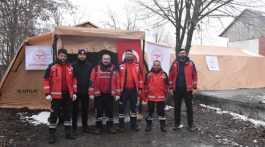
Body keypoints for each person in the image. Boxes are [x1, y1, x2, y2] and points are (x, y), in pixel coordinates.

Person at [43, 48, 77, 144]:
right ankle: (51, 135)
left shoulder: (70, 67)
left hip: (68, 95)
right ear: (58, 56)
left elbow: (74, 80)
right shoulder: (52, 66)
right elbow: (46, 80)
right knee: (54, 115)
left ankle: (68, 133)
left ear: (66, 57)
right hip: (56, 96)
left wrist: (74, 92)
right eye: (61, 56)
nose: (63, 58)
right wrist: (47, 93)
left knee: (68, 114)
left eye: (65, 56)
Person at [89, 54, 119, 134]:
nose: (106, 60)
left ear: (110, 60)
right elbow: (91, 81)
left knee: (110, 111)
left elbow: (117, 81)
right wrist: (91, 93)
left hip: (109, 94)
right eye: (104, 59)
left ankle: (110, 127)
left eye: (108, 59)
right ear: (102, 59)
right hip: (99, 94)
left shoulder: (114, 68)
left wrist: (117, 94)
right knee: (99, 111)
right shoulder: (96, 68)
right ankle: (98, 127)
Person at [169, 49, 198, 132]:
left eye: (184, 53)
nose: (183, 54)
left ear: (186, 54)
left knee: (189, 108)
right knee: (177, 108)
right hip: (177, 89)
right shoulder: (174, 64)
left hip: (187, 89)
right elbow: (170, 76)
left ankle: (191, 125)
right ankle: (177, 124)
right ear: (178, 54)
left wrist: (194, 87)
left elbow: (194, 75)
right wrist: (171, 87)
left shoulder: (191, 64)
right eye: (181, 53)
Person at [118, 49, 144, 132]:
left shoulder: (137, 65)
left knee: (133, 108)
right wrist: (117, 91)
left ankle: (134, 125)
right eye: (127, 54)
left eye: (130, 54)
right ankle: (121, 125)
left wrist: (140, 88)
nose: (129, 56)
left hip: (133, 90)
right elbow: (116, 79)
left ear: (133, 56)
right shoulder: (120, 65)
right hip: (123, 91)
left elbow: (140, 78)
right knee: (121, 108)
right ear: (125, 56)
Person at [72, 49, 93, 133]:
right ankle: (74, 127)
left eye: (84, 54)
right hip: (76, 92)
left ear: (86, 56)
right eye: (80, 54)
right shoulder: (72, 65)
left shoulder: (90, 65)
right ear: (78, 55)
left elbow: (92, 79)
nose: (82, 56)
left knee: (85, 110)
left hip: (85, 91)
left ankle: (85, 127)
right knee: (74, 110)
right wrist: (72, 91)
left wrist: (91, 90)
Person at [144, 60, 168, 132]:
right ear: (153, 66)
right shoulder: (148, 74)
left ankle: (163, 126)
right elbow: (145, 84)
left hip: (161, 96)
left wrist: (166, 79)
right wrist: (146, 93)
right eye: (155, 65)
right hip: (151, 96)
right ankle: (148, 125)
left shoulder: (164, 74)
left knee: (161, 112)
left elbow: (167, 84)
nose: (156, 66)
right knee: (150, 112)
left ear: (160, 66)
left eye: (158, 65)